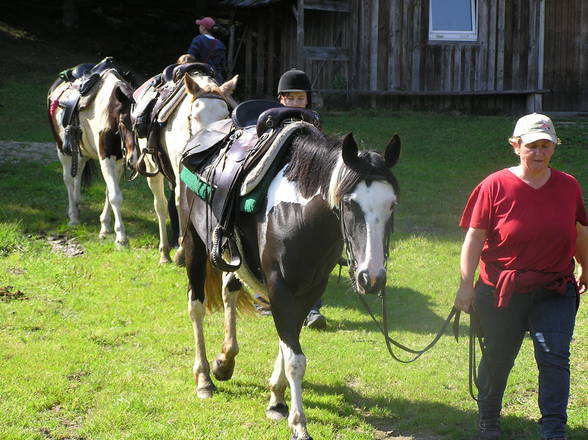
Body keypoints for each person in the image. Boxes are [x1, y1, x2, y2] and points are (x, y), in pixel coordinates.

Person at [454, 113, 588, 440]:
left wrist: (586, 265)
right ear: (516, 146)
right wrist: (464, 285)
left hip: (554, 288)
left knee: (554, 355)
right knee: (498, 356)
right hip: (501, 289)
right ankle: (488, 419)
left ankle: (554, 428)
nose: (539, 153)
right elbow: (474, 237)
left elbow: (579, 230)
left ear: (554, 147)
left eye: (545, 145)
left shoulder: (568, 185)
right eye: (531, 146)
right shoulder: (493, 185)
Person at [187, 17, 226, 83]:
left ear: (203, 27)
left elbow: (190, 58)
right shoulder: (220, 44)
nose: (199, 27)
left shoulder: (198, 40)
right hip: (217, 79)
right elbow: (222, 65)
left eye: (200, 25)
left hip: (200, 78)